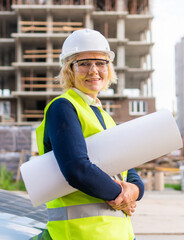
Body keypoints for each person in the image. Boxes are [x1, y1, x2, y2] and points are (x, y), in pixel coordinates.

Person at [35, 28, 144, 240]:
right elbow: (77, 169)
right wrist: (122, 196)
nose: (94, 70)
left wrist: (135, 191)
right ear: (69, 70)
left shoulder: (106, 117)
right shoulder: (63, 108)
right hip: (79, 234)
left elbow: (129, 171)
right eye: (84, 63)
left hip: (118, 233)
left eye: (100, 63)